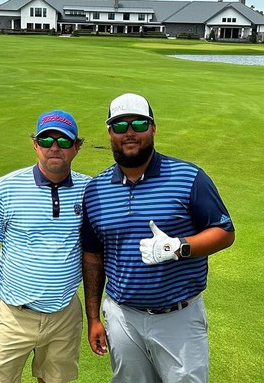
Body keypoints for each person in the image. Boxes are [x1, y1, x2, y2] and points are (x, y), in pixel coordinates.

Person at [81, 93, 236, 382]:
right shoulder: (96, 189)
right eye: (119, 126)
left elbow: (224, 232)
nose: (129, 133)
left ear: (153, 128)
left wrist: (179, 247)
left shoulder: (188, 177)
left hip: (178, 317)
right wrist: (93, 318)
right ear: (109, 133)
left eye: (138, 124)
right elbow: (92, 257)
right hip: (122, 317)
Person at [0, 109, 91, 383]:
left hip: (64, 314)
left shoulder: (89, 190)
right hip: (13, 315)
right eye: (46, 140)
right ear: (35, 144)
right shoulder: (5, 188)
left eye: (63, 142)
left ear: (76, 147)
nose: (54, 148)